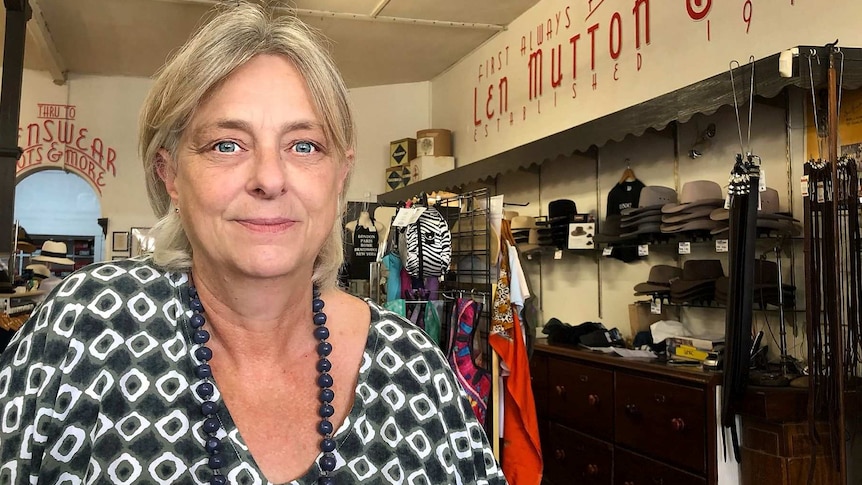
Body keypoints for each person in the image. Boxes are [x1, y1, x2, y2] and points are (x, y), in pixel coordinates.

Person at [0, 2, 506, 484]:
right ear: (171, 173)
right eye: (227, 145)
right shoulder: (86, 327)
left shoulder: (414, 365)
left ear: (339, 176)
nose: (269, 178)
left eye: (303, 146)